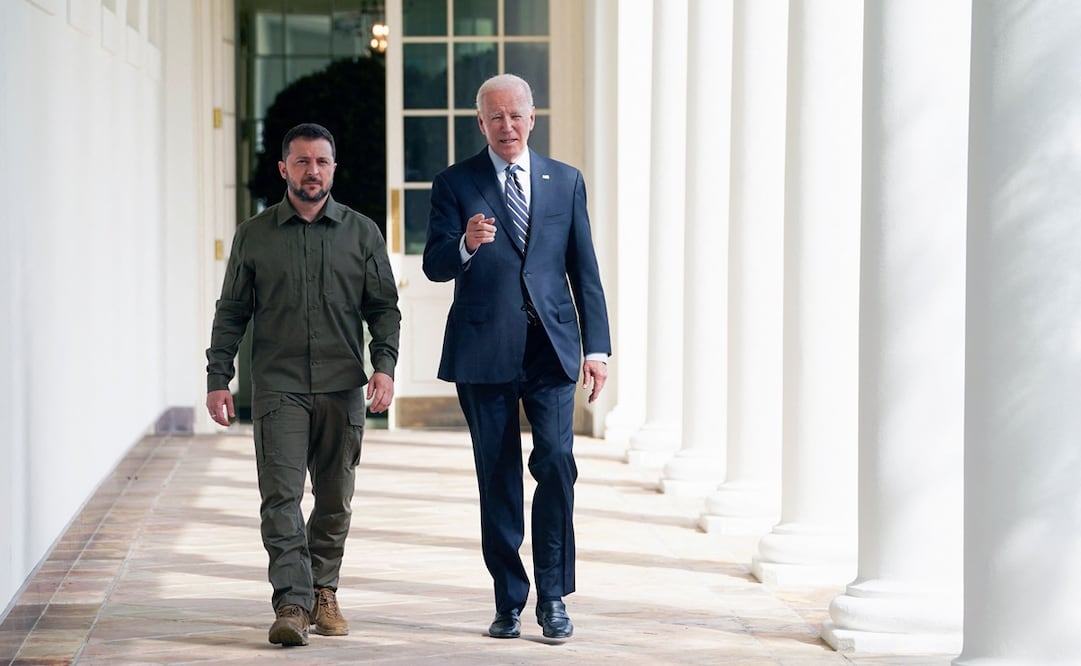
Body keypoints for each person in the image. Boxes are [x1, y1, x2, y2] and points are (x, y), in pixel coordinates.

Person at [422, 74, 611, 640]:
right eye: (495, 117)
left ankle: (553, 597)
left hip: (551, 349)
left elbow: (585, 270)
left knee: (555, 464)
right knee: (497, 476)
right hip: (484, 349)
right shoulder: (455, 183)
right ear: (480, 124)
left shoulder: (565, 181)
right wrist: (465, 244)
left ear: (532, 118)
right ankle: (509, 599)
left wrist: (596, 348)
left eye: (516, 115)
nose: (506, 126)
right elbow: (434, 263)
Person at [205, 123, 401, 647]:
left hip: (343, 386)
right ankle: (291, 602)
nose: (311, 170)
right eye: (301, 161)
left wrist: (384, 366)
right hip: (279, 387)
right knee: (282, 498)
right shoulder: (255, 234)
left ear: (333, 169)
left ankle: (324, 590)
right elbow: (231, 313)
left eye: (321, 161)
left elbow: (383, 309)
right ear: (283, 168)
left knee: (335, 499)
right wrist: (218, 377)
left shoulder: (362, 233)